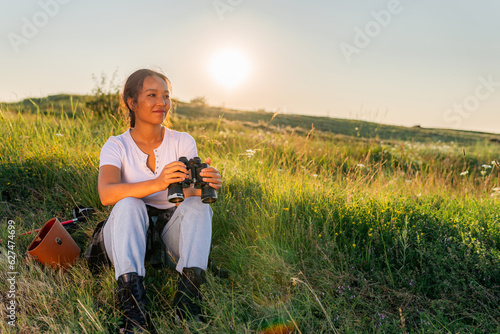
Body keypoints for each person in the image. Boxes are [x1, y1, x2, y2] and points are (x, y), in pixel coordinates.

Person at [97, 68, 222, 333]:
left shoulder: (183, 141)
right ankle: (132, 309)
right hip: (126, 234)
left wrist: (206, 185)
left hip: (167, 235)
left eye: (165, 96)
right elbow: (106, 194)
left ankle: (187, 300)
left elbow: (188, 200)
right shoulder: (116, 145)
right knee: (128, 203)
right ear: (132, 102)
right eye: (152, 95)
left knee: (198, 205)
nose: (161, 103)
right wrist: (158, 182)